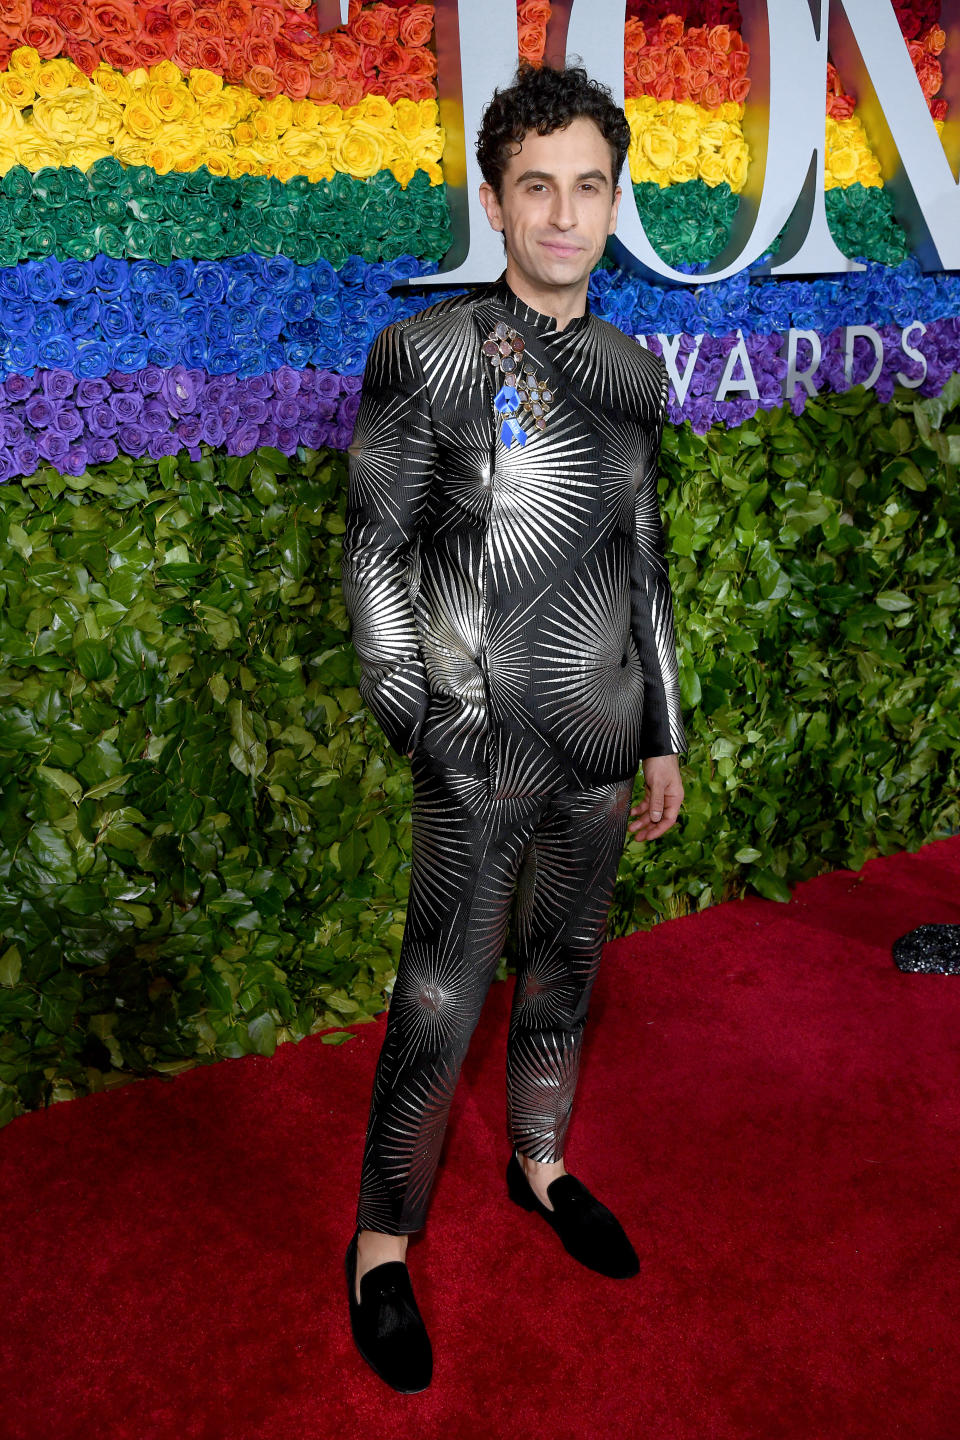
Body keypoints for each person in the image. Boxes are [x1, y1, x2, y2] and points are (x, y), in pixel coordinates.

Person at [340, 60, 686, 1393]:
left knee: (568, 972)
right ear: (494, 203)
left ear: (611, 202)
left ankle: (541, 1166)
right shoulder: (420, 355)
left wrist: (663, 729)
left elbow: (641, 554)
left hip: (600, 741)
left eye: (586, 187)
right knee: (437, 996)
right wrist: (418, 724)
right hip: (473, 748)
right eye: (534, 186)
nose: (561, 214)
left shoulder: (630, 368)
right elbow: (373, 554)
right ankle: (380, 1247)